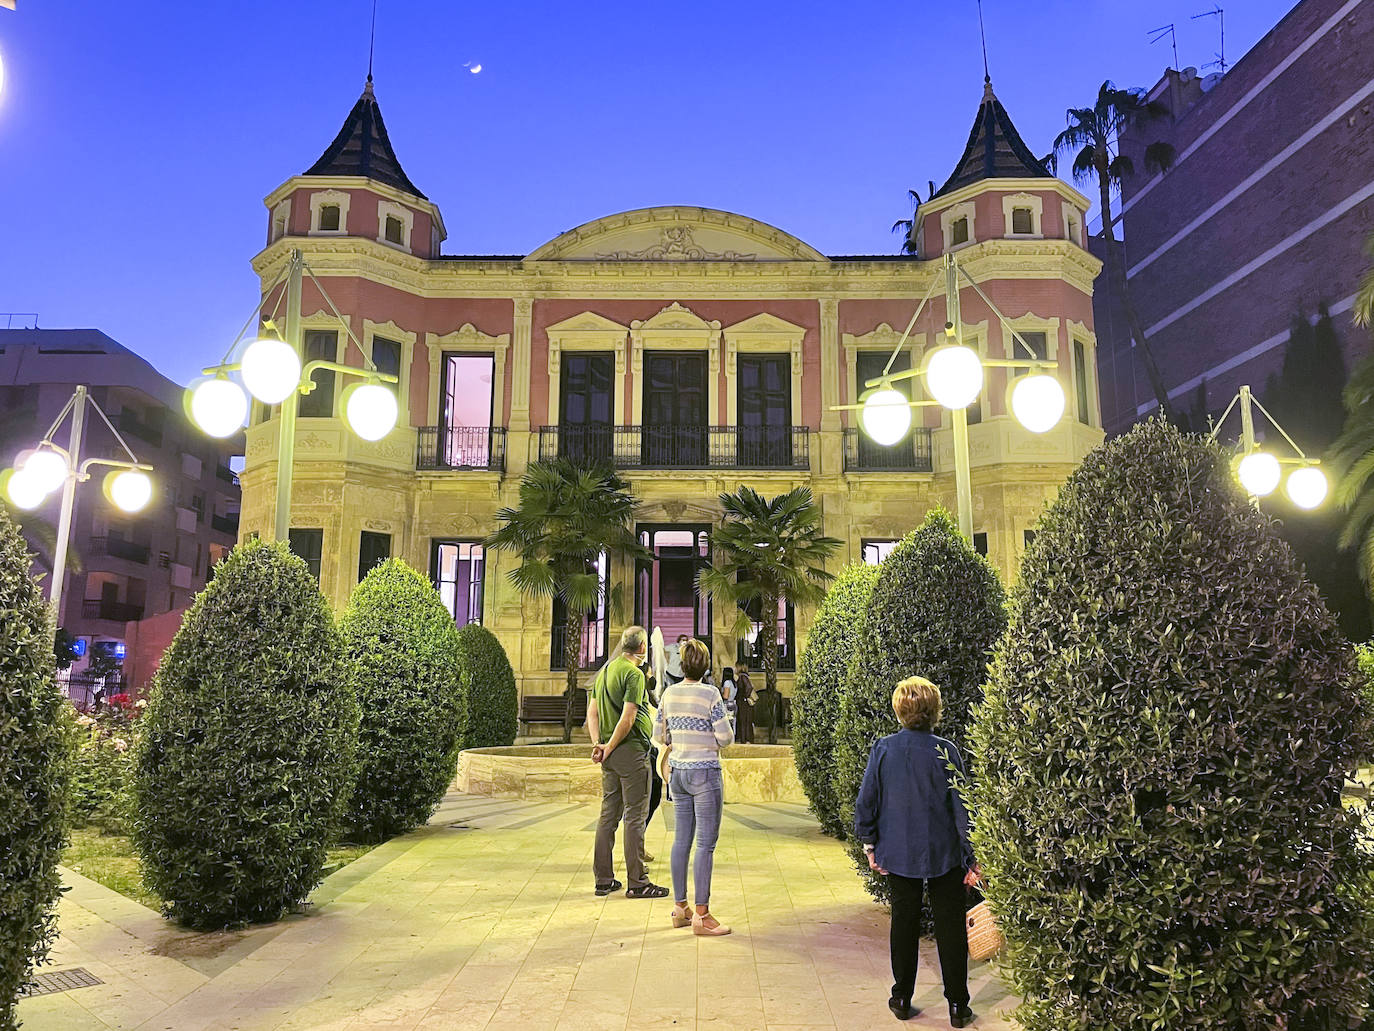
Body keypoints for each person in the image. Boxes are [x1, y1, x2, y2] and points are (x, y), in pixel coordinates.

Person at [854, 676, 980, 1026]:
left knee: (903, 923)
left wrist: (869, 844)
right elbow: (962, 809)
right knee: (951, 926)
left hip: (898, 852)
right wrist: (973, 857)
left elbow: (867, 802)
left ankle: (901, 996)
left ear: (899, 710)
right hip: (944, 854)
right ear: (934, 710)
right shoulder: (946, 750)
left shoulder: (883, 749)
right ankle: (957, 1004)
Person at [653, 638, 734, 936]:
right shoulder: (711, 694)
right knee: (705, 844)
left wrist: (678, 740)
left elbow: (659, 734)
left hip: (679, 774)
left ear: (681, 664)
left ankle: (680, 908)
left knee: (681, 841)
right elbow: (725, 738)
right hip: (705, 774)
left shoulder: (669, 694)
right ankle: (703, 915)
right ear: (705, 665)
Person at [587, 626, 669, 899]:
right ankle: (638, 882)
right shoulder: (634, 674)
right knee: (635, 816)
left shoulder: (607, 671)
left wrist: (598, 744)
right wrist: (610, 746)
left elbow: (593, 712)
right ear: (643, 647)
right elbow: (629, 716)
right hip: (630, 752)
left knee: (608, 815)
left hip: (609, 754)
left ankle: (603, 880)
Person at [734, 660, 755, 744]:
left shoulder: (742, 677)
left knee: (743, 721)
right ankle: (747, 739)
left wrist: (745, 697)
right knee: (746, 721)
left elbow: (748, 688)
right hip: (744, 702)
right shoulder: (745, 676)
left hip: (743, 702)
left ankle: (744, 739)